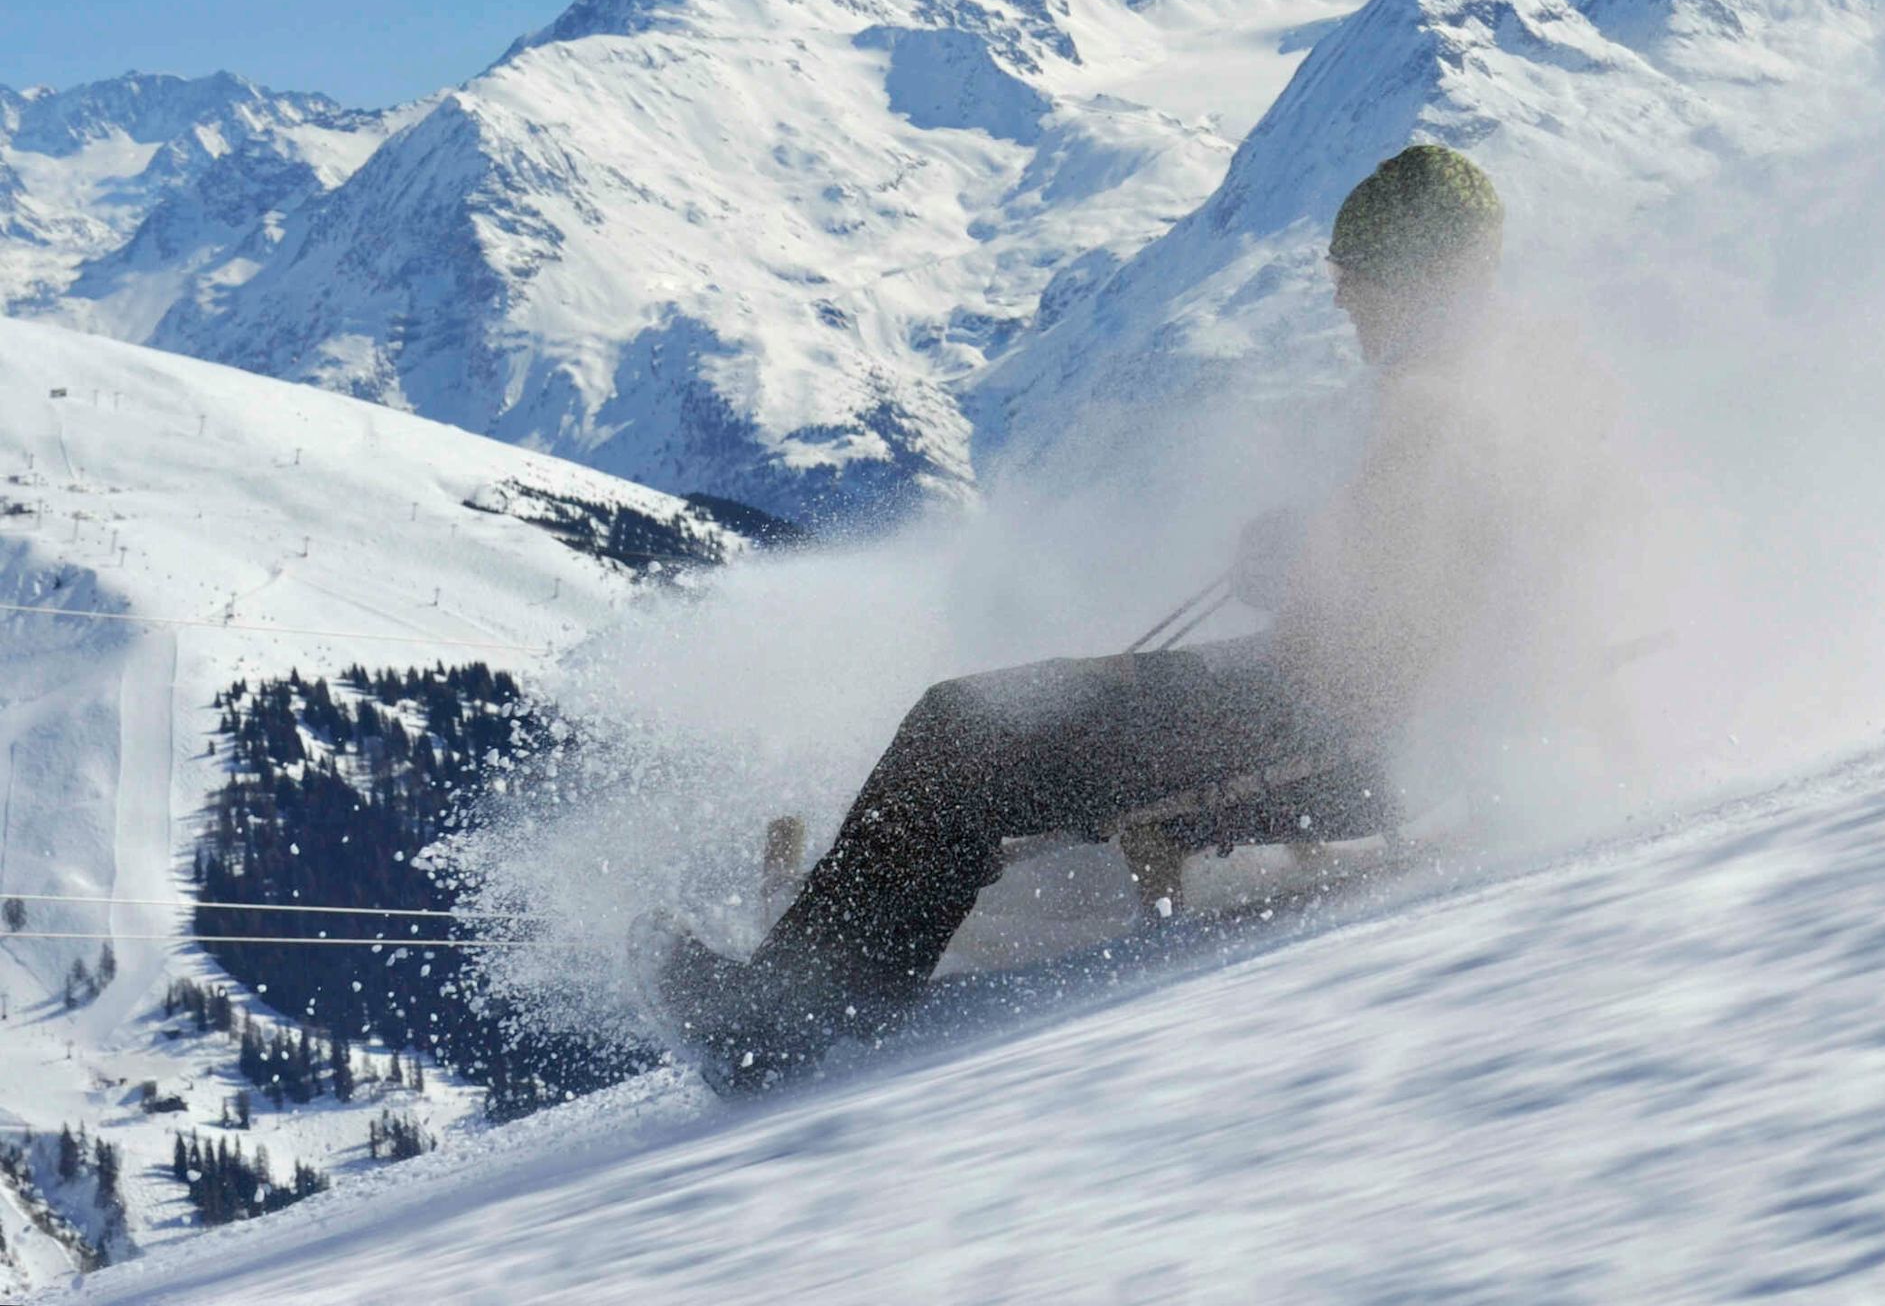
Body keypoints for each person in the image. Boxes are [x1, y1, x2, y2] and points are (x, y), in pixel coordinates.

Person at [646, 142, 1564, 1082]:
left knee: (964, 735)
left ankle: (786, 1022)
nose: (1343, 300)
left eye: (1355, 276)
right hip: (1337, 708)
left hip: (1328, 733)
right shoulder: (1509, 380)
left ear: (1417, 277)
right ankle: (841, 951)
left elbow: (1396, 602)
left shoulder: (1443, 404)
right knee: (987, 724)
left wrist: (1300, 557)